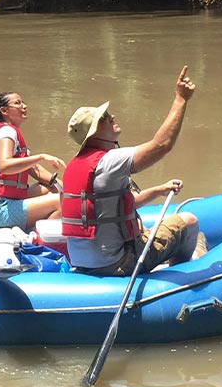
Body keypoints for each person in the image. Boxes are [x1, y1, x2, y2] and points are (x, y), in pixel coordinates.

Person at [61, 65, 207, 276]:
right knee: (190, 222)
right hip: (118, 262)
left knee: (147, 231)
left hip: (84, 262)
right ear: (92, 135)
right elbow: (161, 145)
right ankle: (182, 273)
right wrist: (181, 99)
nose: (112, 117)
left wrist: (158, 190)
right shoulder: (110, 160)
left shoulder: (76, 165)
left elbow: (115, 207)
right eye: (104, 118)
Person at [0, 92, 67, 233]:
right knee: (60, 201)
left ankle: (34, 229)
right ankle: (36, 242)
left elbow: (36, 170)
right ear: (4, 111)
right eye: (18, 103)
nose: (24, 106)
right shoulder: (7, 132)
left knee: (48, 188)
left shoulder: (5, 131)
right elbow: (5, 166)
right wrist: (42, 156)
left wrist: (70, 191)